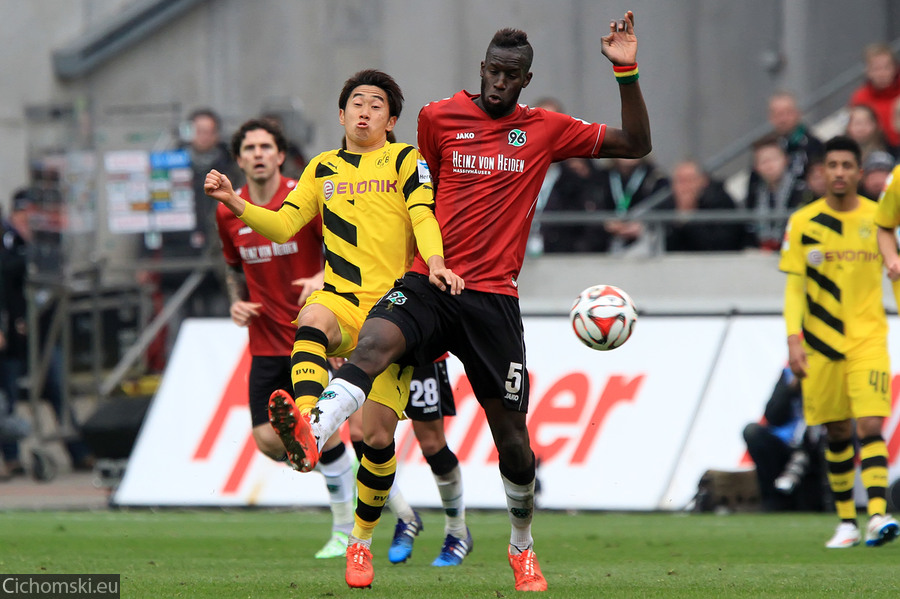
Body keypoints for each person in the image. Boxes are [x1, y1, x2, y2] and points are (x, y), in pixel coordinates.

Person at [284, 12, 651, 591]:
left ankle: (521, 546)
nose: (500, 82)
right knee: (374, 342)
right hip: (432, 282)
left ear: (526, 80)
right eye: (494, 71)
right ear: (481, 68)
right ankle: (314, 424)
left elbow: (636, 143)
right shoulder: (437, 117)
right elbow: (417, 202)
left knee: (514, 443)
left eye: (512, 75)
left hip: (492, 299)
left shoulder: (545, 129)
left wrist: (625, 71)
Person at [203, 70, 464, 581]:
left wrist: (434, 261)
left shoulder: (405, 160)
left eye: (376, 105)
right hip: (341, 298)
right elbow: (283, 224)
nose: (365, 111)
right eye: (356, 103)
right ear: (342, 115)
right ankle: (309, 422)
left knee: (377, 440)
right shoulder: (321, 167)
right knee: (313, 317)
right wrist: (235, 202)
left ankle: (360, 541)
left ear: (391, 120)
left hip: (395, 310)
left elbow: (423, 215)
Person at [216, 117, 359, 559]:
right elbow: (233, 267)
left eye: (266, 147)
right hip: (263, 342)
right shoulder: (228, 209)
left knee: (321, 436)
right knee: (267, 440)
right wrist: (236, 302)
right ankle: (365, 483)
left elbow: (344, 251)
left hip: (309, 340)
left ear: (280, 156)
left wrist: (321, 278)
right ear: (239, 160)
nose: (258, 154)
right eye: (249, 148)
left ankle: (344, 530)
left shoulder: (303, 199)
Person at [780, 135, 900, 548]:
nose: (839, 173)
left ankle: (878, 515)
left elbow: (894, 266)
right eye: (833, 165)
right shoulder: (804, 222)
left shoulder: (878, 220)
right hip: (820, 343)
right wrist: (793, 339)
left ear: (859, 173)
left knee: (869, 424)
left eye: (847, 166)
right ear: (822, 171)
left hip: (868, 338)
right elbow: (794, 288)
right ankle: (847, 521)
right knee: (836, 431)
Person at [0, 188, 93, 476]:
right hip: (12, 333)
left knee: (57, 388)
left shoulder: (45, 243)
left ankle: (79, 450)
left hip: (43, 329)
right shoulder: (8, 241)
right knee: (8, 395)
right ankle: (12, 458)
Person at [742, 367, 828, 512]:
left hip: (814, 444)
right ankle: (772, 499)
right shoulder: (789, 374)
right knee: (752, 432)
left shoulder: (828, 373)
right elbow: (772, 416)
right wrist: (790, 390)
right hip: (784, 444)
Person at [661, 160, 744, 252]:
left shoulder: (720, 201)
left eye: (690, 180)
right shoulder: (667, 205)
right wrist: (680, 218)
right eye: (680, 181)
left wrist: (689, 215)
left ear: (703, 181)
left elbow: (721, 244)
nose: (685, 187)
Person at [744, 135, 807, 250]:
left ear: (786, 160)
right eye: (763, 161)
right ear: (756, 167)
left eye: (774, 159)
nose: (769, 166)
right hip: (761, 252)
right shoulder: (754, 192)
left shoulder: (801, 190)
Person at [849, 43, 900, 149]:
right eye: (876, 68)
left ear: (895, 68)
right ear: (867, 71)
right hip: (874, 150)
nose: (882, 73)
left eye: (886, 67)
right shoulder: (860, 97)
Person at [765, 91, 825, 181]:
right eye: (777, 114)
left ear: (798, 113)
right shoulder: (765, 150)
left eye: (788, 112)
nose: (783, 119)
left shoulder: (813, 145)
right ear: (770, 118)